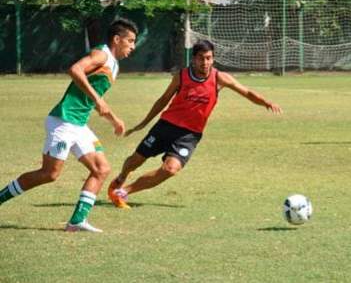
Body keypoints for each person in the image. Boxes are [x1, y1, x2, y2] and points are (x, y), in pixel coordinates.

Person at [108, 40, 282, 209]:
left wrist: (265, 102)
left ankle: (122, 192)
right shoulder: (182, 77)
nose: (205, 62)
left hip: (189, 135)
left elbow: (247, 92)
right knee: (135, 161)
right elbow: (163, 100)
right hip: (166, 126)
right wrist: (143, 123)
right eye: (201, 58)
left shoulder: (220, 78)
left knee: (170, 169)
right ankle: (121, 177)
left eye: (209, 58)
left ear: (213, 59)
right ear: (193, 59)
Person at [0, 18, 138, 232]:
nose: (133, 46)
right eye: (130, 41)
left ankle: (77, 221)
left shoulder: (114, 64)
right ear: (117, 39)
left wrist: (113, 120)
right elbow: (75, 70)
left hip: (79, 124)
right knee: (49, 174)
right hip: (63, 121)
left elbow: (92, 99)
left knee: (102, 169)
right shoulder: (102, 54)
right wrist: (99, 101)